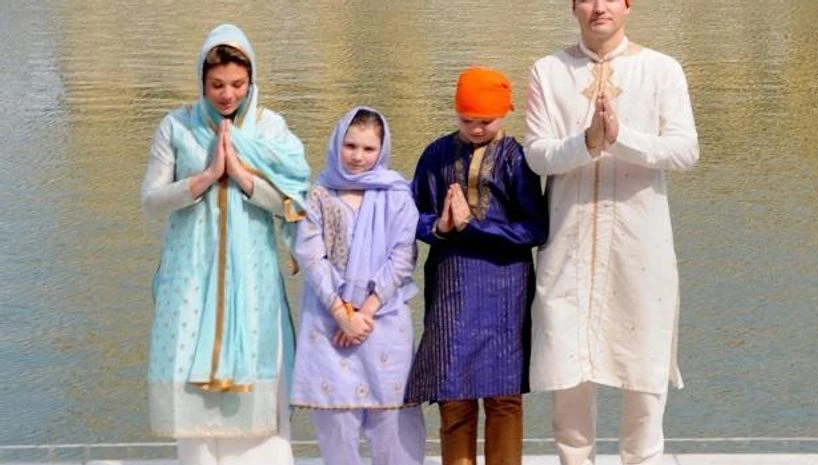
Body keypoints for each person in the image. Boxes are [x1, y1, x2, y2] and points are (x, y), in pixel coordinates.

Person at [523, 1, 700, 464]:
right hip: (569, 245)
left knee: (642, 379)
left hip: (640, 246)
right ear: (573, 7)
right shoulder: (549, 70)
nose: (599, 7)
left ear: (628, 5)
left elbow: (685, 151)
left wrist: (620, 138)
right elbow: (537, 155)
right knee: (568, 381)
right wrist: (587, 142)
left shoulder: (661, 70)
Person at [140, 24, 310, 465]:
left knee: (260, 409)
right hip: (190, 281)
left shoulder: (271, 128)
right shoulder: (177, 127)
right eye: (216, 85)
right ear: (202, 80)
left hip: (252, 282)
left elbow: (294, 203)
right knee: (192, 405)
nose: (227, 95)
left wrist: (243, 177)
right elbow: (151, 201)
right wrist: (202, 179)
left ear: (252, 80)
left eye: (237, 84)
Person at [405, 67, 549, 465]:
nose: (476, 129)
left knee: (504, 399)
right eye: (467, 121)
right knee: (454, 398)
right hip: (452, 287)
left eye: (485, 121)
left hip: (506, 290)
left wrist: (475, 226)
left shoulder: (516, 159)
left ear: (505, 113)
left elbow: (533, 229)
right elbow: (409, 217)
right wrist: (441, 226)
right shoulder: (436, 155)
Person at [290, 106, 425, 465]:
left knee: (391, 422)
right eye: (350, 146)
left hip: (382, 318)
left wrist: (364, 311)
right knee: (336, 422)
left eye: (368, 149)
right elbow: (311, 256)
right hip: (329, 320)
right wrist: (341, 311)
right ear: (337, 143)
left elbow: (402, 257)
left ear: (382, 150)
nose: (357, 157)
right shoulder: (318, 195)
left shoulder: (397, 194)